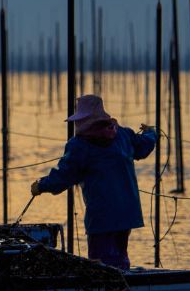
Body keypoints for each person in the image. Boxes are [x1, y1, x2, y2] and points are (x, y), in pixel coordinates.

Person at [30, 94, 156, 270]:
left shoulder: (79, 145)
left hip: (102, 214)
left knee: (100, 265)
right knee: (120, 257)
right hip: (127, 212)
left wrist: (41, 185)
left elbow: (64, 176)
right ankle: (126, 287)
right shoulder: (123, 135)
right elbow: (144, 146)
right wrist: (151, 132)